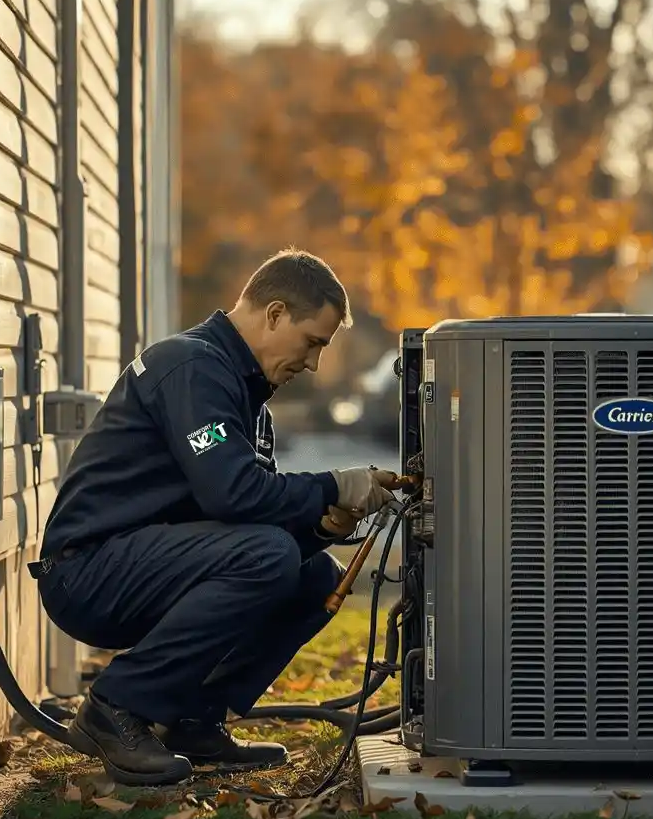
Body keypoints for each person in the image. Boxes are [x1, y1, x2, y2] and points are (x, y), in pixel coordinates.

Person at [30, 249, 399, 786]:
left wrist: (322, 526)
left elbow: (254, 511)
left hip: (149, 561)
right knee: (268, 557)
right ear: (274, 314)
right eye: (313, 342)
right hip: (88, 571)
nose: (315, 363)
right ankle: (115, 706)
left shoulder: (246, 397)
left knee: (315, 578)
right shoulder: (192, 368)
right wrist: (333, 484)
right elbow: (234, 495)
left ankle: (192, 720)